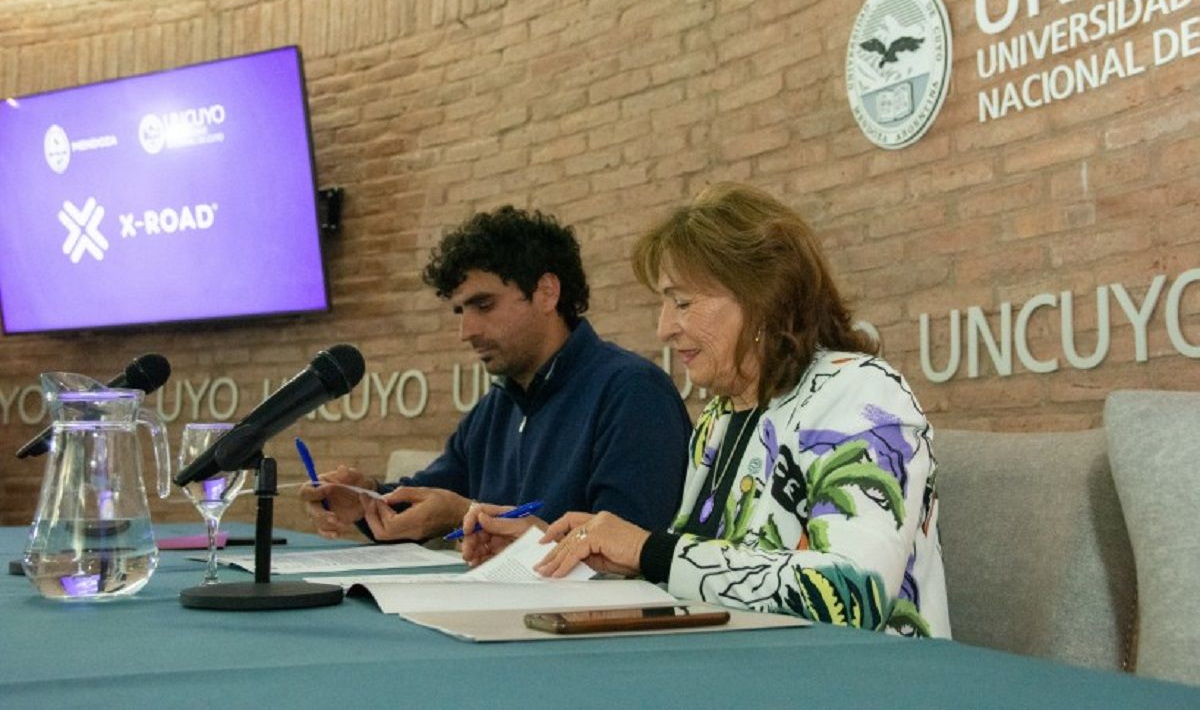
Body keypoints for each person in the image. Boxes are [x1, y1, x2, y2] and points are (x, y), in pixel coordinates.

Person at [461, 183, 950, 637]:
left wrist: (649, 550)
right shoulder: (720, 417)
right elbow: (696, 573)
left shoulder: (861, 393)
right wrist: (555, 550)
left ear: (763, 298)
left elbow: (852, 593)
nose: (663, 328)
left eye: (683, 302)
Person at [300, 205, 691, 542]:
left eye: (483, 305)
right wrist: (367, 499)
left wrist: (465, 514)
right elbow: (432, 497)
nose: (466, 332)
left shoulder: (633, 392)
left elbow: (629, 551)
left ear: (547, 293)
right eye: (461, 312)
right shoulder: (497, 407)